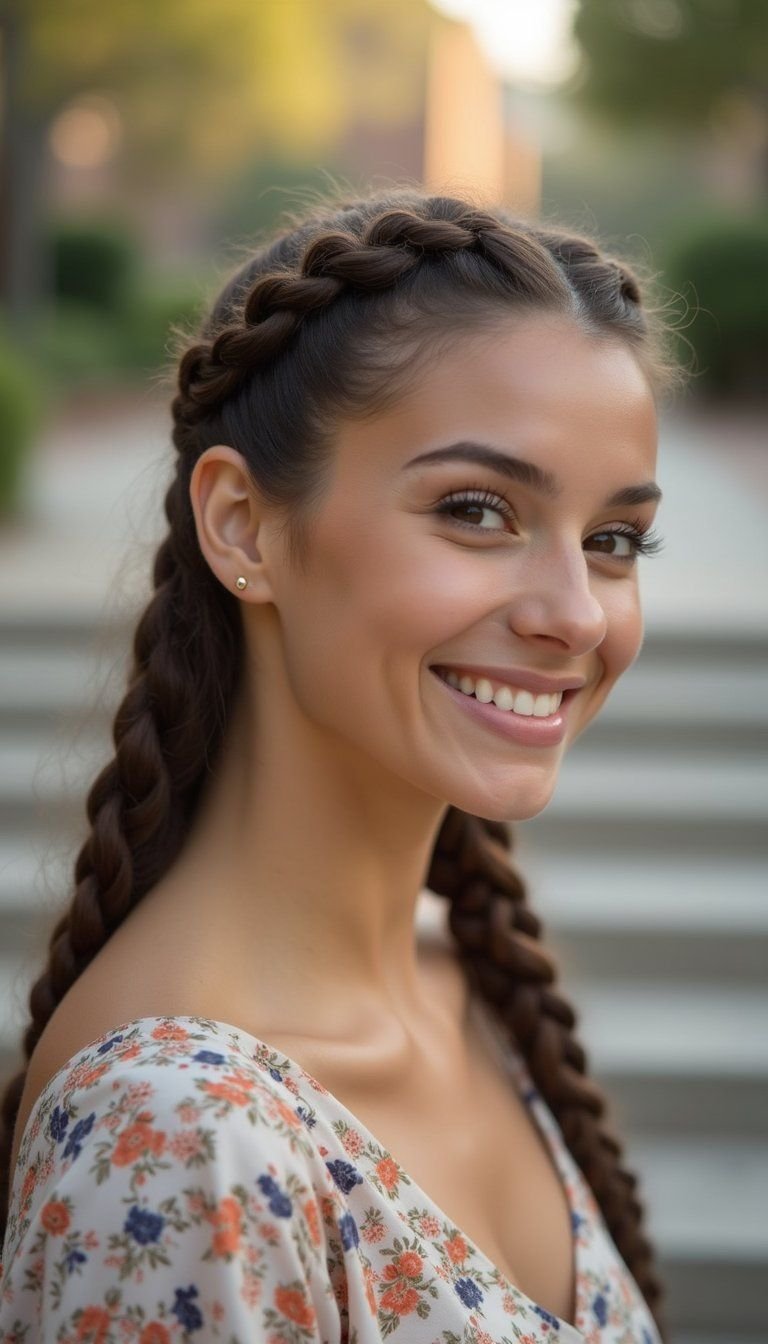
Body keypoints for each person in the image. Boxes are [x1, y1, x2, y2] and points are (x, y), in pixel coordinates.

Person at [0, 187, 679, 1344]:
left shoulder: (458, 977)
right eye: (478, 511)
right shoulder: (178, 1134)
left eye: (613, 540)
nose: (577, 614)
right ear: (242, 525)